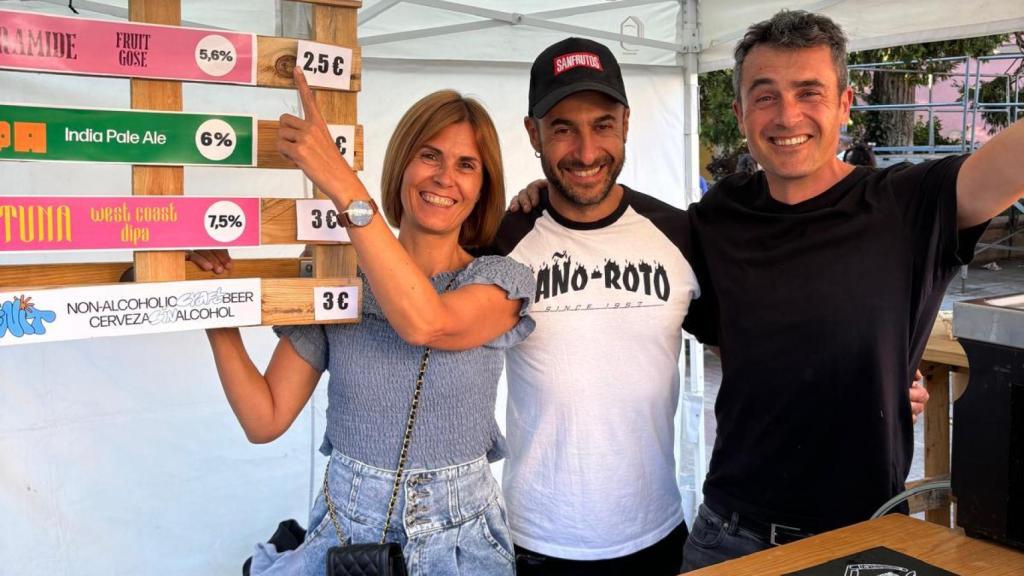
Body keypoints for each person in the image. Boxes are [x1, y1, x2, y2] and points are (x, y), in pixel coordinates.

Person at [680, 10, 1023, 570]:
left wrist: (889, 379)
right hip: (729, 534)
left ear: (844, 102)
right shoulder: (718, 217)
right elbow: (624, 231)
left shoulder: (909, 204)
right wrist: (546, 194)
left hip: (862, 540)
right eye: (764, 96)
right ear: (740, 112)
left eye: (808, 91)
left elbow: (1010, 165)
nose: (787, 114)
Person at [192, 70, 535, 576]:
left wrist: (340, 182)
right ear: (401, 164)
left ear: (482, 187)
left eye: (467, 164)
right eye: (429, 155)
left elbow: (425, 322)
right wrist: (217, 312)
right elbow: (264, 419)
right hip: (347, 534)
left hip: (462, 541)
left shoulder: (501, 279)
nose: (445, 177)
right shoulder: (337, 273)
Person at [491, 37, 701, 575]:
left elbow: (756, 346)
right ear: (532, 133)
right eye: (563, 128)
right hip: (534, 539)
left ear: (626, 123)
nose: (585, 152)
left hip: (655, 533)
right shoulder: (504, 235)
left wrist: (880, 378)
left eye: (602, 124)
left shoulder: (679, 234)